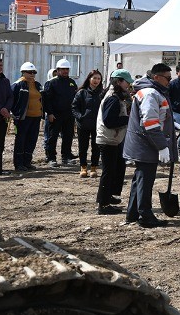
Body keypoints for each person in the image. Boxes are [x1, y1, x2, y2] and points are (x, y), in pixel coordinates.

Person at [122, 63, 174, 228]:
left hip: (142, 143)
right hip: (146, 144)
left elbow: (156, 117)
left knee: (139, 179)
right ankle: (145, 216)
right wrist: (162, 146)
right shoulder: (151, 93)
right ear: (156, 77)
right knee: (145, 180)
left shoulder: (152, 91)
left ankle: (133, 213)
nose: (169, 81)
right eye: (168, 78)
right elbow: (150, 123)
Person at [95, 69, 132, 215]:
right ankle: (103, 204)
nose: (128, 85)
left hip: (113, 138)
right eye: (126, 82)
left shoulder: (116, 96)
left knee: (117, 168)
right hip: (108, 139)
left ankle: (109, 196)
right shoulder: (113, 98)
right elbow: (109, 121)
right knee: (108, 172)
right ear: (118, 82)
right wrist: (128, 119)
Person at [41, 58, 78, 167]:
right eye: (63, 69)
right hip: (55, 115)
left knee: (68, 136)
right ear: (57, 70)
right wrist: (50, 113)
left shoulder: (71, 82)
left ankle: (66, 156)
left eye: (67, 69)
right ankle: (51, 158)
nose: (65, 71)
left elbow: (75, 97)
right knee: (52, 137)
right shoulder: (51, 83)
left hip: (69, 115)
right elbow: (46, 100)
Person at [11, 62, 43, 171]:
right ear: (23, 72)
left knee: (32, 140)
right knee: (21, 140)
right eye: (29, 72)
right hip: (23, 118)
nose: (32, 74)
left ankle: (27, 162)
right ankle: (19, 163)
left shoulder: (37, 85)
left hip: (36, 116)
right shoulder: (17, 85)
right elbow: (12, 100)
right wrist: (15, 114)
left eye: (34, 72)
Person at [73, 69, 105, 178]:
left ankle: (94, 168)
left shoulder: (102, 93)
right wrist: (80, 117)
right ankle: (83, 167)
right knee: (83, 147)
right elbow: (74, 107)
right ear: (89, 79)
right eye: (94, 78)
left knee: (96, 147)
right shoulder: (81, 92)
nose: (96, 80)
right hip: (83, 124)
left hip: (97, 125)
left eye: (98, 78)